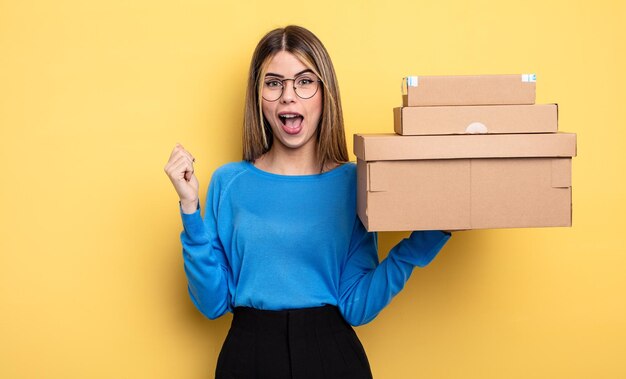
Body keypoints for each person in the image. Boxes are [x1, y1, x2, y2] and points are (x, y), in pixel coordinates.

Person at [164, 25, 451, 379]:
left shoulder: (354, 182)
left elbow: (356, 306)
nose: (288, 96)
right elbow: (211, 303)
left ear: (324, 93)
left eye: (304, 81)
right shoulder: (229, 182)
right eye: (273, 83)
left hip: (331, 358)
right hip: (247, 358)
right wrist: (190, 210)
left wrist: (430, 234)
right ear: (258, 96)